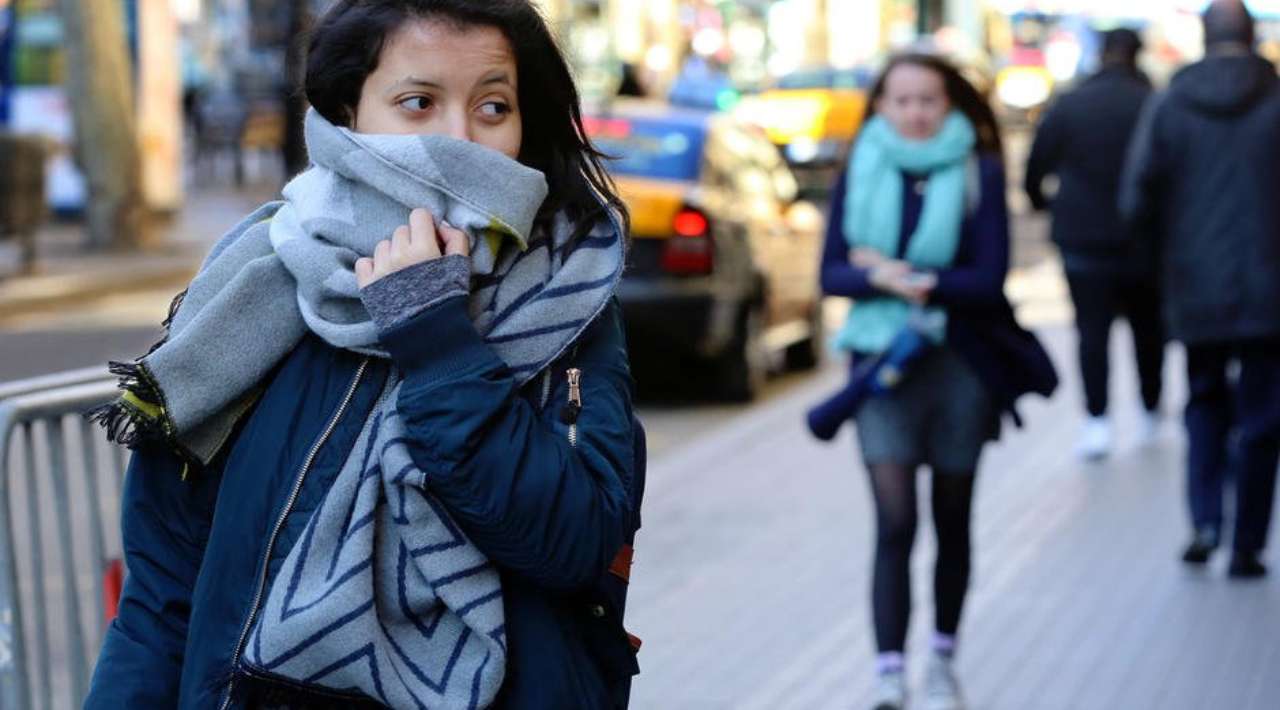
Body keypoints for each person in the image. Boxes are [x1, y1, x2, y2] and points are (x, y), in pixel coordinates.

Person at [84, 1, 644, 708]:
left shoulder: (568, 300)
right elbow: (161, 598)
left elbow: (573, 543)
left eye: (492, 107)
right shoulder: (252, 286)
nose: (459, 140)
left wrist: (436, 338)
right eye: (418, 103)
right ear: (347, 114)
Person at [820, 53, 1056, 710]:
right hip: (882, 366)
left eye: (929, 99)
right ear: (881, 106)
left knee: (953, 518)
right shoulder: (861, 165)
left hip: (960, 364)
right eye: (902, 100)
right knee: (896, 521)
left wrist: (898, 276)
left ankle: (943, 661)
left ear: (949, 104)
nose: (916, 112)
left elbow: (988, 279)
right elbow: (832, 273)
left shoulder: (978, 169)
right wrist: (877, 277)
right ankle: (889, 672)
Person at [1120, 0, 1280, 579]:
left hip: (1195, 285)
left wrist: (1161, 270)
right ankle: (1248, 544)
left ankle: (1205, 522)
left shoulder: (1171, 104)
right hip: (1269, 290)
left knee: (1205, 401)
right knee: (1263, 416)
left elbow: (1136, 199)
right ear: (1252, 36)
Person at [1025, 28, 1164, 461]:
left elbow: (1035, 166)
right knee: (1147, 329)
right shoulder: (1152, 103)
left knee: (1091, 331)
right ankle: (1150, 409)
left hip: (1082, 237)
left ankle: (1097, 420)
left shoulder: (1072, 103)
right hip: (1142, 239)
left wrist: (1045, 204)